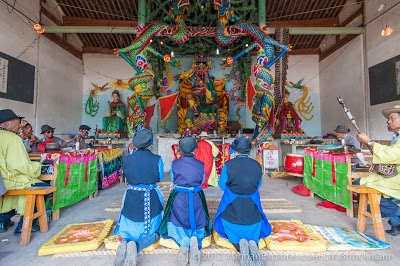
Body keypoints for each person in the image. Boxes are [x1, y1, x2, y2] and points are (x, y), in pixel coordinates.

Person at [214, 137, 269, 265]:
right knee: (254, 218)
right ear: (248, 150)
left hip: (232, 210)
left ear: (235, 150)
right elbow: (258, 185)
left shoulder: (228, 165)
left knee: (223, 223)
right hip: (252, 211)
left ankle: (240, 245)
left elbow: (222, 186)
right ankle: (252, 243)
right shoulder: (257, 165)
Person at [113, 129, 164, 266]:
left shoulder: (127, 159)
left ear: (134, 143)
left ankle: (125, 243)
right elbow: (160, 177)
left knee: (128, 229)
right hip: (150, 195)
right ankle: (136, 246)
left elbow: (126, 176)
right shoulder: (157, 159)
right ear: (150, 144)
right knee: (155, 232)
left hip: (132, 195)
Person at [160, 136, 211, 266]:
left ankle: (183, 242)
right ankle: (195, 238)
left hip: (179, 198)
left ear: (180, 149)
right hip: (196, 197)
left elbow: (173, 180)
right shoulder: (201, 164)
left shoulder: (175, 163)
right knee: (198, 219)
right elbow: (201, 180)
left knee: (175, 220)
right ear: (195, 148)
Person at [0, 109, 48, 235]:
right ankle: (24, 225)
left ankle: (3, 221)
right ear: (6, 124)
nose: (20, 125)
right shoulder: (12, 139)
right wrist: (38, 165)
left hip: (2, 183)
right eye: (18, 122)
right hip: (10, 180)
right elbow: (21, 166)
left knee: (9, 196)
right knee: (45, 188)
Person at [356, 105, 400, 236]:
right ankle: (397, 223)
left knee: (367, 190)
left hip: (396, 177)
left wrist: (369, 141)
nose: (388, 121)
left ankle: (397, 215)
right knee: (359, 182)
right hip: (394, 174)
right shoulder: (396, 136)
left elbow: (391, 154)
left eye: (392, 118)